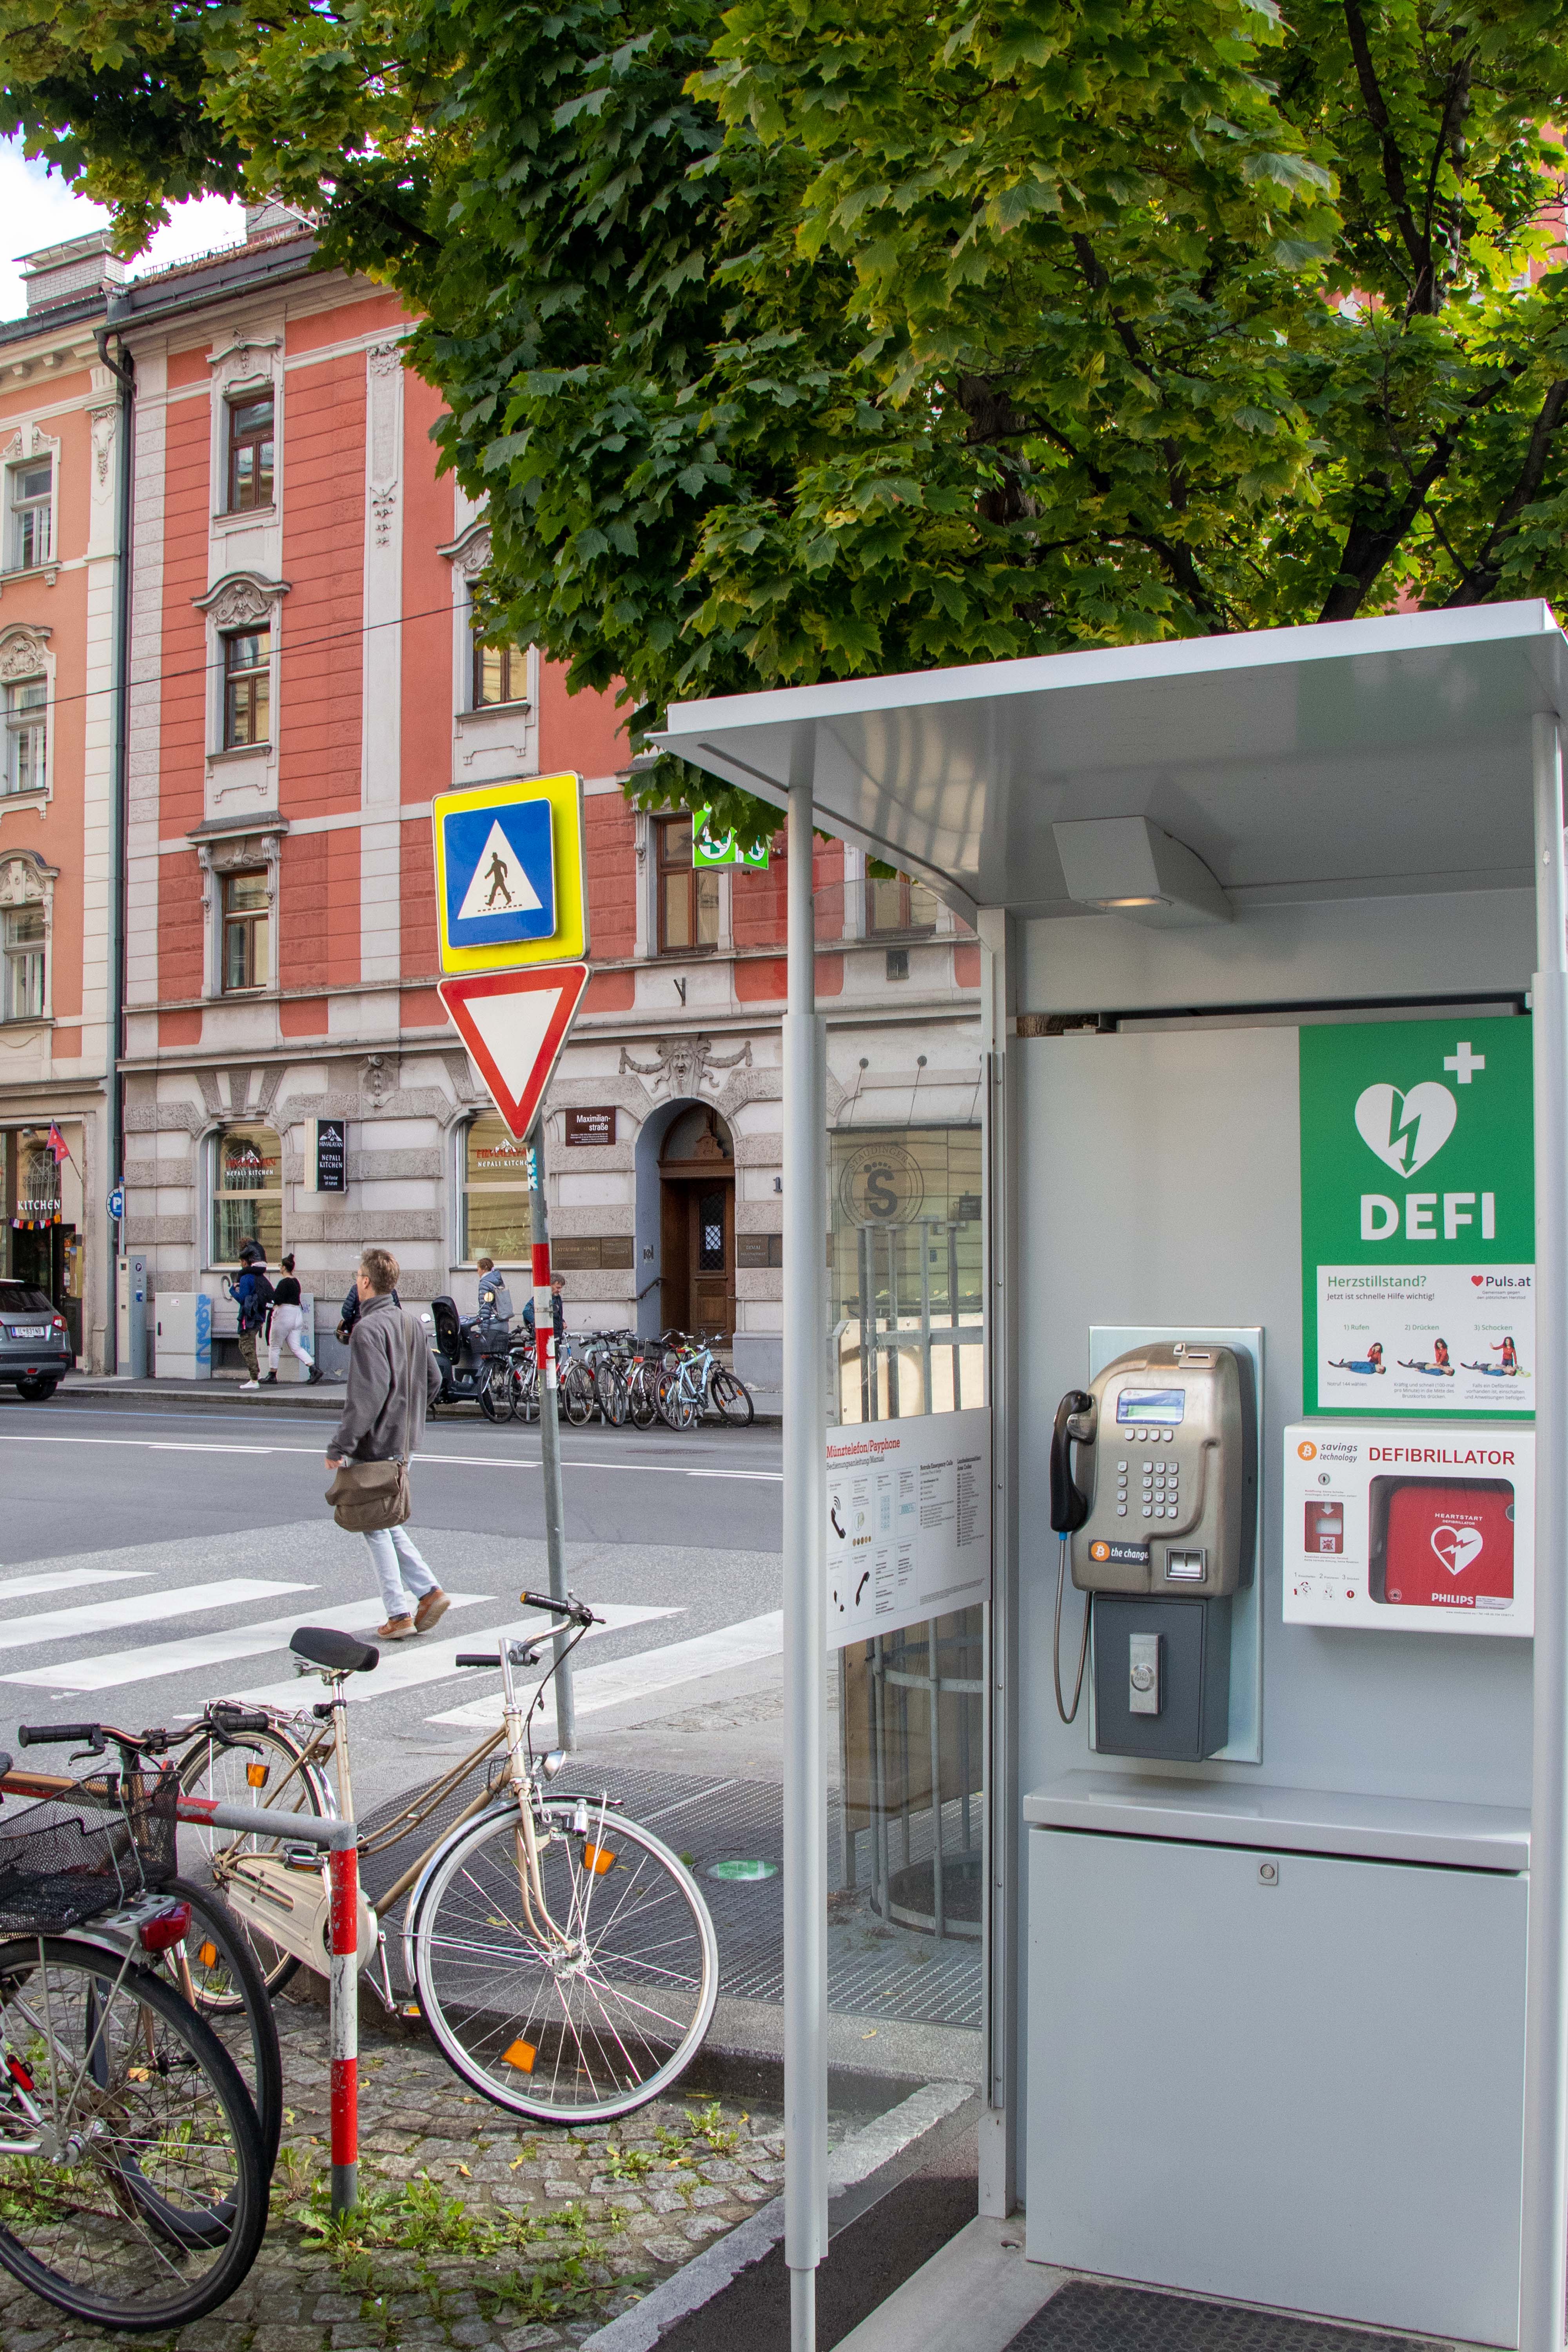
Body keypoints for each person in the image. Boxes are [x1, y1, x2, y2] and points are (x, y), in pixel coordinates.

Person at [325, 1247, 447, 1642]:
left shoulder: (367, 1329)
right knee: (386, 1519)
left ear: (364, 1282)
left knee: (374, 1525)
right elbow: (434, 1381)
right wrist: (409, 1415)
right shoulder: (411, 1323)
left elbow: (367, 1394)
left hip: (375, 1441)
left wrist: (339, 1445)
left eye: (357, 1278)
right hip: (403, 1441)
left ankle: (399, 1613)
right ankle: (429, 1593)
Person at [265, 1254, 323, 1385]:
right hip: (297, 1315)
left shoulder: (284, 1283)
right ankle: (314, 1368)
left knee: (274, 1346)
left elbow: (276, 1299)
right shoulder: (296, 1282)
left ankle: (272, 1375)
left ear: (284, 1268)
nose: (280, 1268)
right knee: (296, 1347)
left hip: (284, 1314)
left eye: (281, 1266)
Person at [230, 1242, 274, 1390]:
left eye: (241, 1262)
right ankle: (257, 1374)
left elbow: (243, 1299)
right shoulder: (259, 1277)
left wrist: (232, 1291)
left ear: (245, 1261)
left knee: (247, 1346)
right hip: (258, 1316)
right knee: (247, 1345)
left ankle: (254, 1379)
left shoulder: (246, 1278)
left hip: (248, 1318)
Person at [522, 1272, 565, 1352]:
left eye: (561, 1288)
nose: (560, 1291)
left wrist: (562, 1322)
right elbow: (526, 1311)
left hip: (555, 1337)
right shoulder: (542, 1297)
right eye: (558, 1288)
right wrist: (539, 1322)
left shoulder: (557, 1298)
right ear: (550, 1285)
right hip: (546, 1337)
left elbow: (556, 1315)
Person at [475, 1256, 514, 1342]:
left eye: (478, 1270)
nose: (478, 1272)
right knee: (501, 1353)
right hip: (504, 1324)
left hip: (493, 1326)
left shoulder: (485, 1284)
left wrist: (484, 1330)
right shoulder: (498, 1282)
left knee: (488, 1353)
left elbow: (485, 1308)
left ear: (484, 1270)